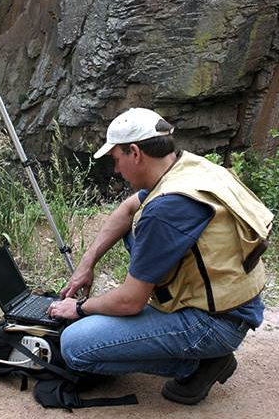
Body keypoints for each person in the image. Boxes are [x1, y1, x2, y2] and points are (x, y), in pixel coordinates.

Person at [47, 107, 273, 405]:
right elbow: (128, 209)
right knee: (133, 224)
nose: (116, 170)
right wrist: (86, 265)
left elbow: (130, 302)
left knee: (74, 345)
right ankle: (190, 344)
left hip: (214, 324)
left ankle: (200, 363)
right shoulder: (187, 169)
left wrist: (78, 308)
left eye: (117, 159)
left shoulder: (167, 210)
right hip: (233, 308)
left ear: (136, 153)